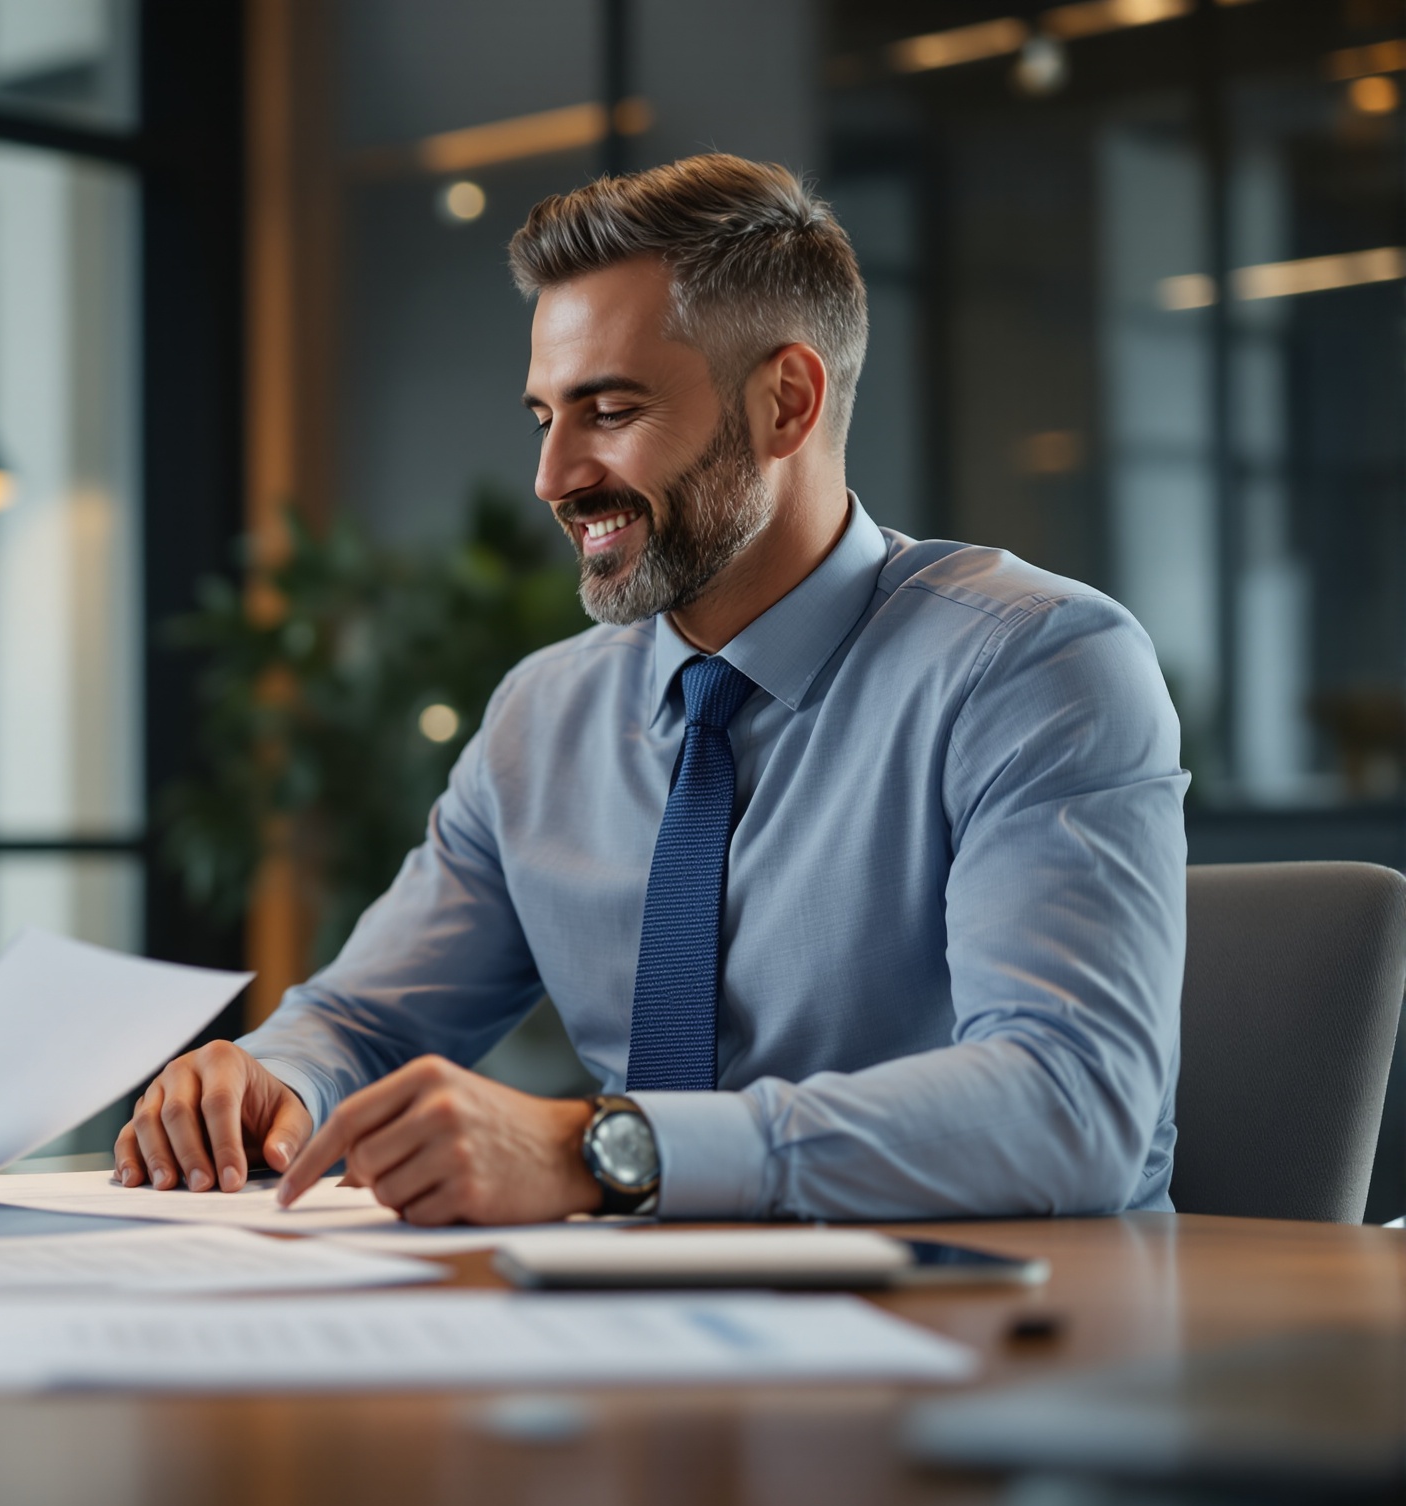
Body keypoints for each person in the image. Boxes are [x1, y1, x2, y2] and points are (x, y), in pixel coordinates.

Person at [116, 154, 1185, 1225]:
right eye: (544, 418)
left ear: (786, 402)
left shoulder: (1034, 665)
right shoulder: (542, 718)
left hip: (993, 1334)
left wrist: (607, 1149)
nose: (552, 478)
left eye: (610, 410)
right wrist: (272, 1083)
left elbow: (1072, 1105)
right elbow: (363, 1023)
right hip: (629, 1330)